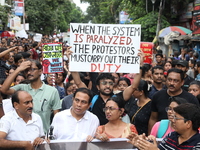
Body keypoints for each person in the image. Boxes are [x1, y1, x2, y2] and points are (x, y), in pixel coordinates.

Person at [1, 59, 61, 133]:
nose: (29, 72)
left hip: (43, 136)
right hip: (22, 135)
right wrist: (18, 70)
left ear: (40, 71)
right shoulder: (22, 88)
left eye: (32, 69)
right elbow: (4, 90)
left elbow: (57, 117)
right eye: (26, 70)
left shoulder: (52, 91)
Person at [148, 68, 199, 134]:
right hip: (162, 134)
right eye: (169, 80)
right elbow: (153, 118)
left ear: (182, 82)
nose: (171, 83)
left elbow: (196, 121)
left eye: (175, 81)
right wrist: (150, 136)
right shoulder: (157, 96)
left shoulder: (191, 99)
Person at [128, 103, 200, 150]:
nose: (173, 120)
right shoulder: (172, 136)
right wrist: (141, 144)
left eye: (176, 118)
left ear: (188, 123)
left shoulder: (198, 143)